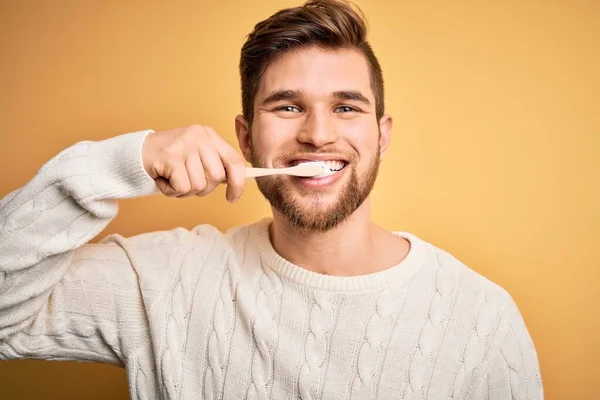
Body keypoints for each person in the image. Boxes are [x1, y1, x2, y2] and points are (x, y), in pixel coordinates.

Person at [0, 0, 543, 398]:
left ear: (382, 136)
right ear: (244, 138)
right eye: (287, 107)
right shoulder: (162, 282)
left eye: (347, 108)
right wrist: (118, 163)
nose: (317, 134)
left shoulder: (482, 320)